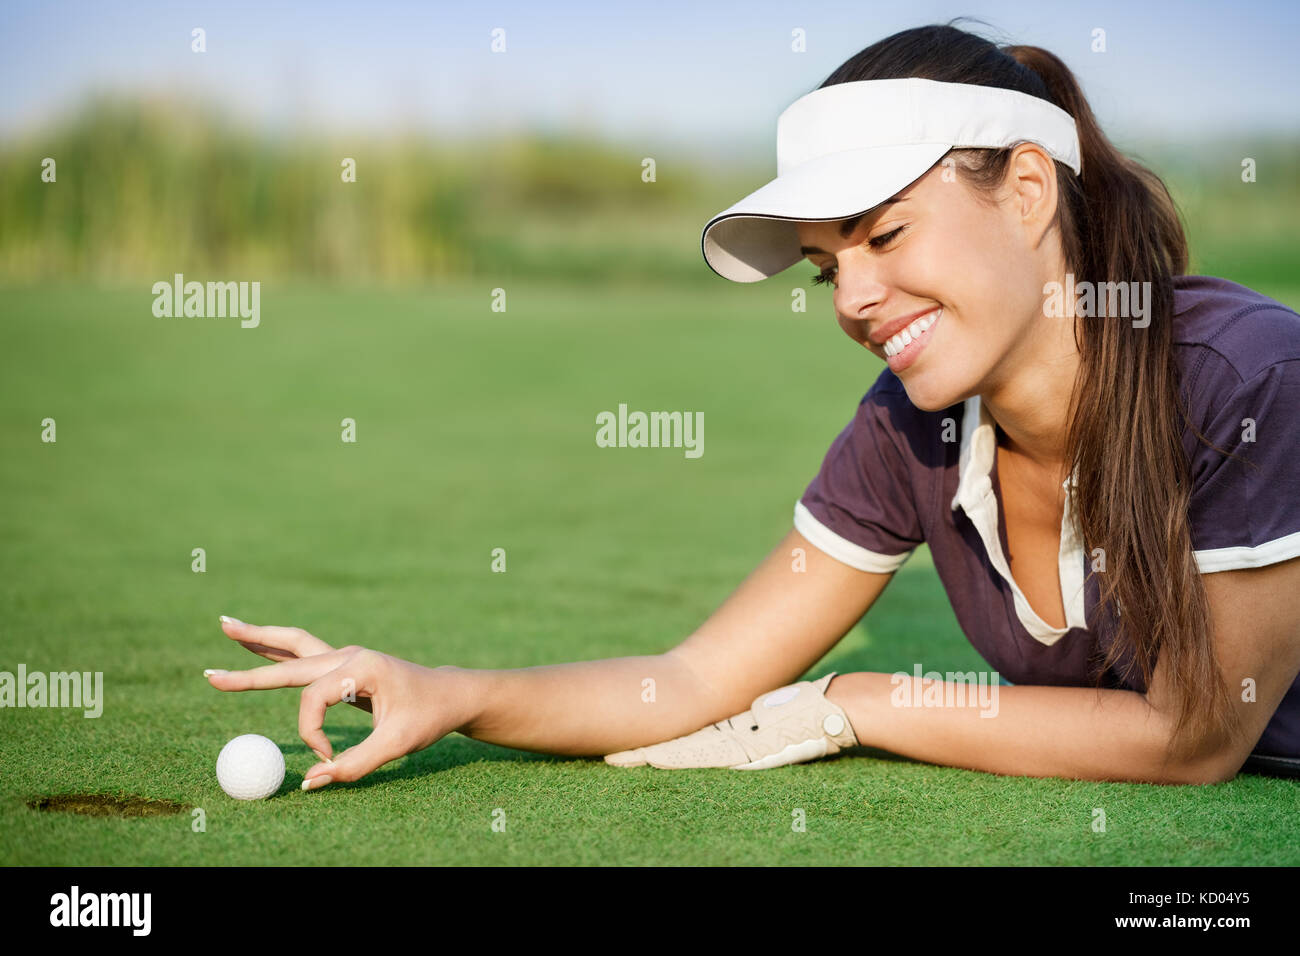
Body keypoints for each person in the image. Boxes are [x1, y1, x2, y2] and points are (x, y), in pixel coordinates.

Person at [206, 23, 1300, 788]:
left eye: (884, 233)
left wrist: (860, 700)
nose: (855, 298)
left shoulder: (1246, 376)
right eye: (827, 268)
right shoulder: (906, 424)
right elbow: (691, 678)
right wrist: (446, 689)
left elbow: (1194, 735)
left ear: (1023, 192)